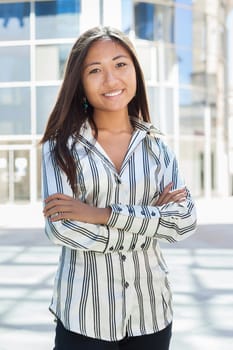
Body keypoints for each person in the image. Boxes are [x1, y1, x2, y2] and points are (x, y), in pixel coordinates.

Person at [41, 26, 197, 350]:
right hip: (84, 319)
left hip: (151, 314)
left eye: (120, 64)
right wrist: (152, 222)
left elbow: (184, 221)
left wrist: (100, 214)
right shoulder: (60, 147)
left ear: (135, 71)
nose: (111, 80)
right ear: (79, 83)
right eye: (95, 70)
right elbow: (64, 229)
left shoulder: (158, 148)